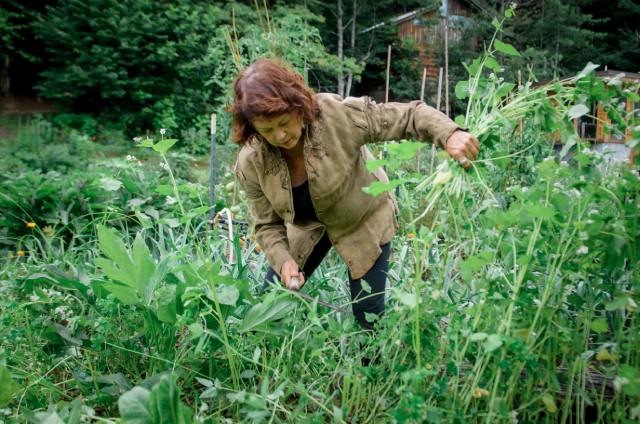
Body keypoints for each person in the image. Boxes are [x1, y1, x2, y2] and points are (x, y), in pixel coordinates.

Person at [231, 58, 479, 330]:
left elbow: (409, 116)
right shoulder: (252, 161)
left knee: (368, 317)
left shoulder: (336, 116)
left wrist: (449, 133)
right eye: (267, 130)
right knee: (270, 303)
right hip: (309, 226)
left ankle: (370, 369)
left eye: (284, 122)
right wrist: (284, 260)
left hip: (363, 218)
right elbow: (267, 225)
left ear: (298, 107)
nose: (279, 135)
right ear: (253, 128)